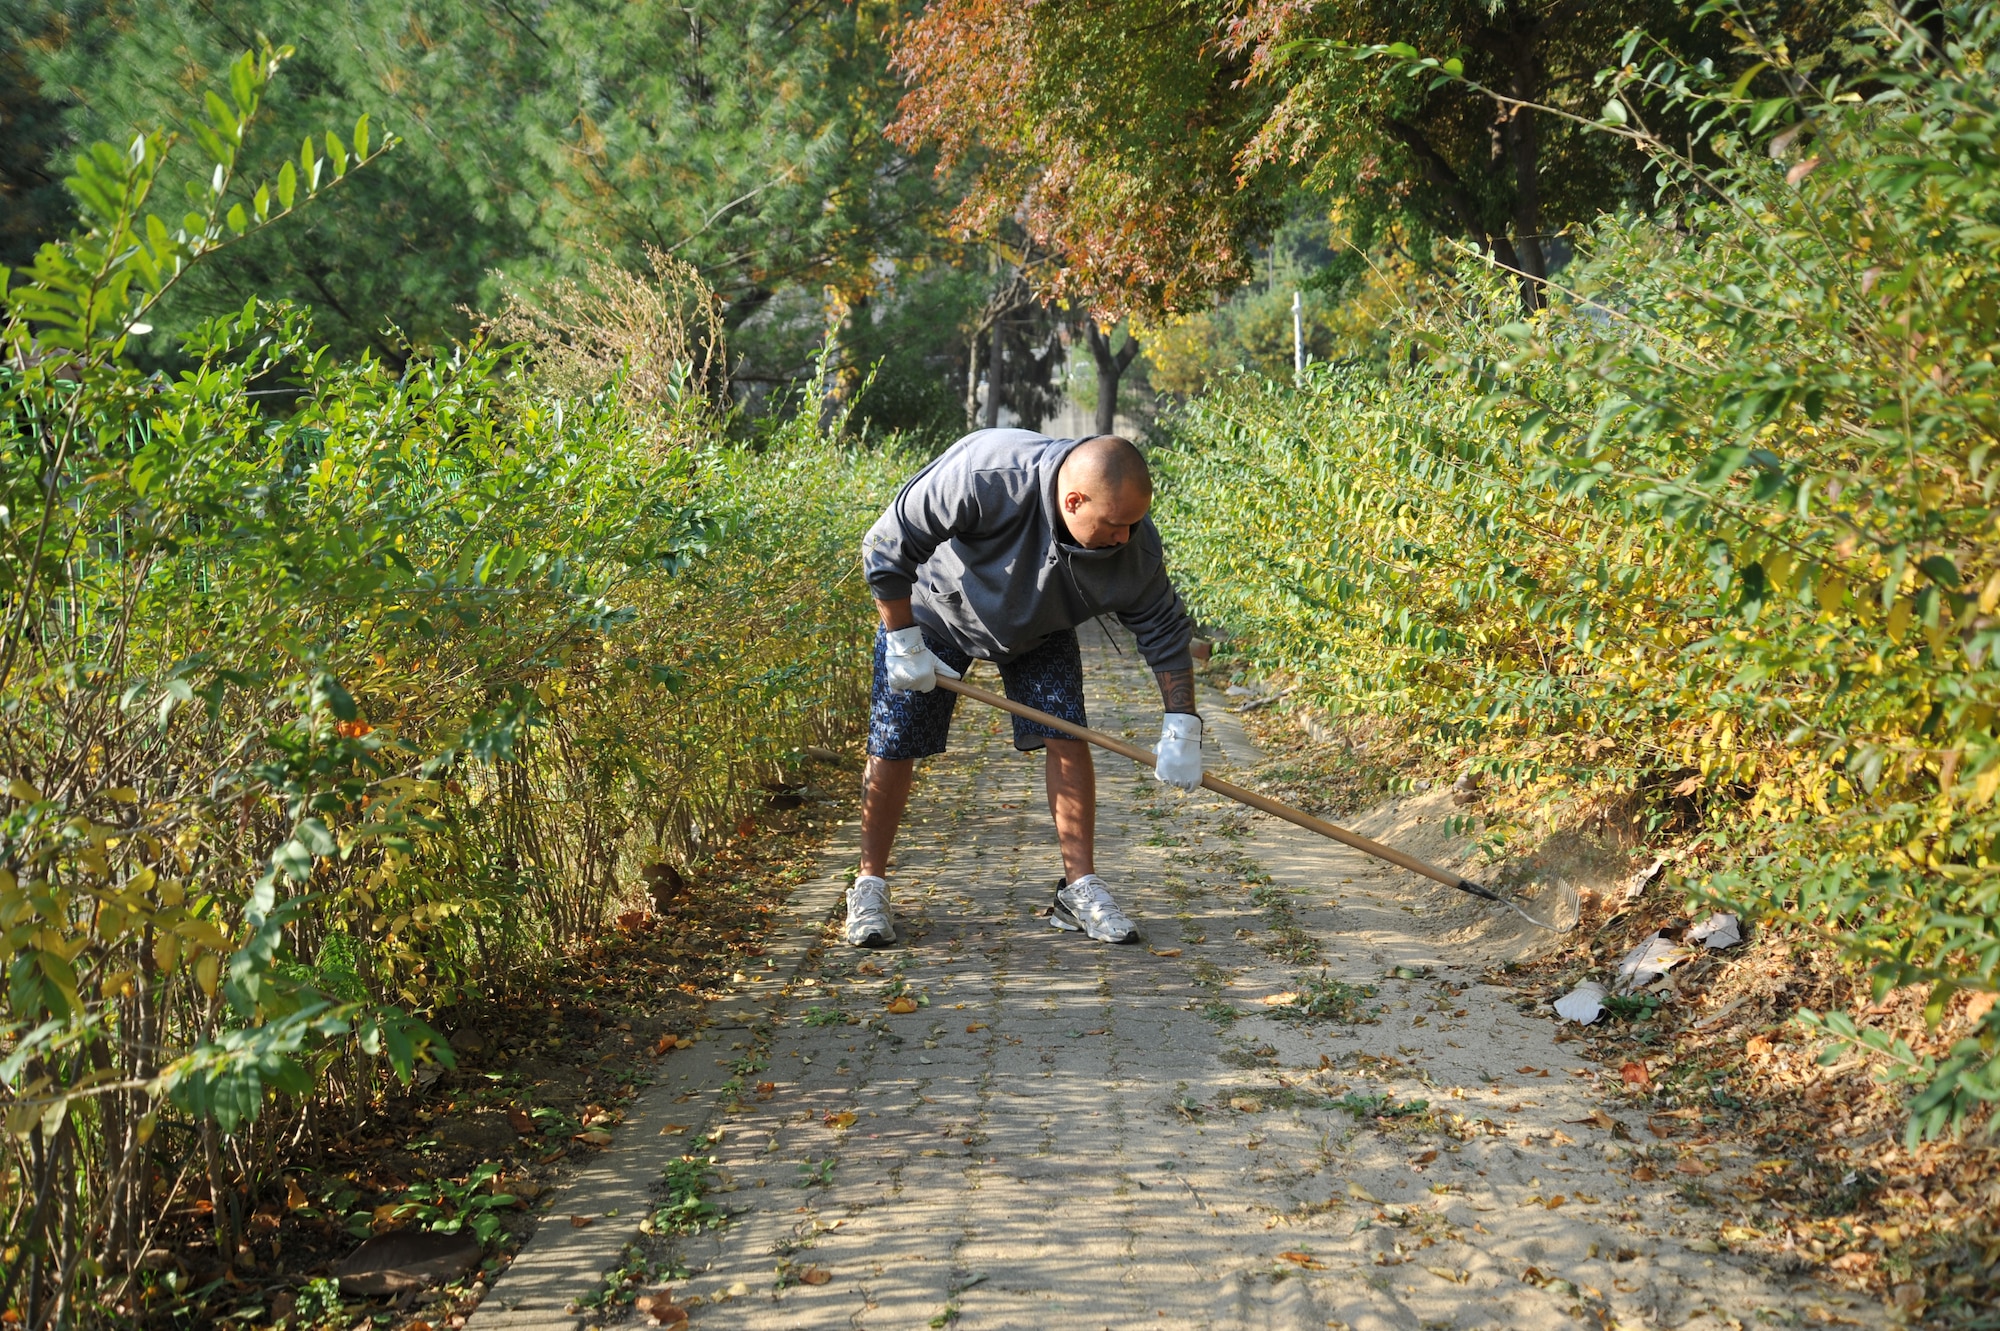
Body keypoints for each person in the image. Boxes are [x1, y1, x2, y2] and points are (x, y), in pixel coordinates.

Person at [845, 429, 1203, 948]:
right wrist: (902, 642)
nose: (1124, 538)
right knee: (894, 741)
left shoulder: (1132, 543)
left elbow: (1164, 631)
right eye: (1114, 525)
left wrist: (1182, 725)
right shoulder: (987, 473)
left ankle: (1079, 890)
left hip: (1040, 624)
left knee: (1067, 736)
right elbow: (885, 546)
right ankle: (869, 886)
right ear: (1073, 501)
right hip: (933, 611)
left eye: (1134, 523)